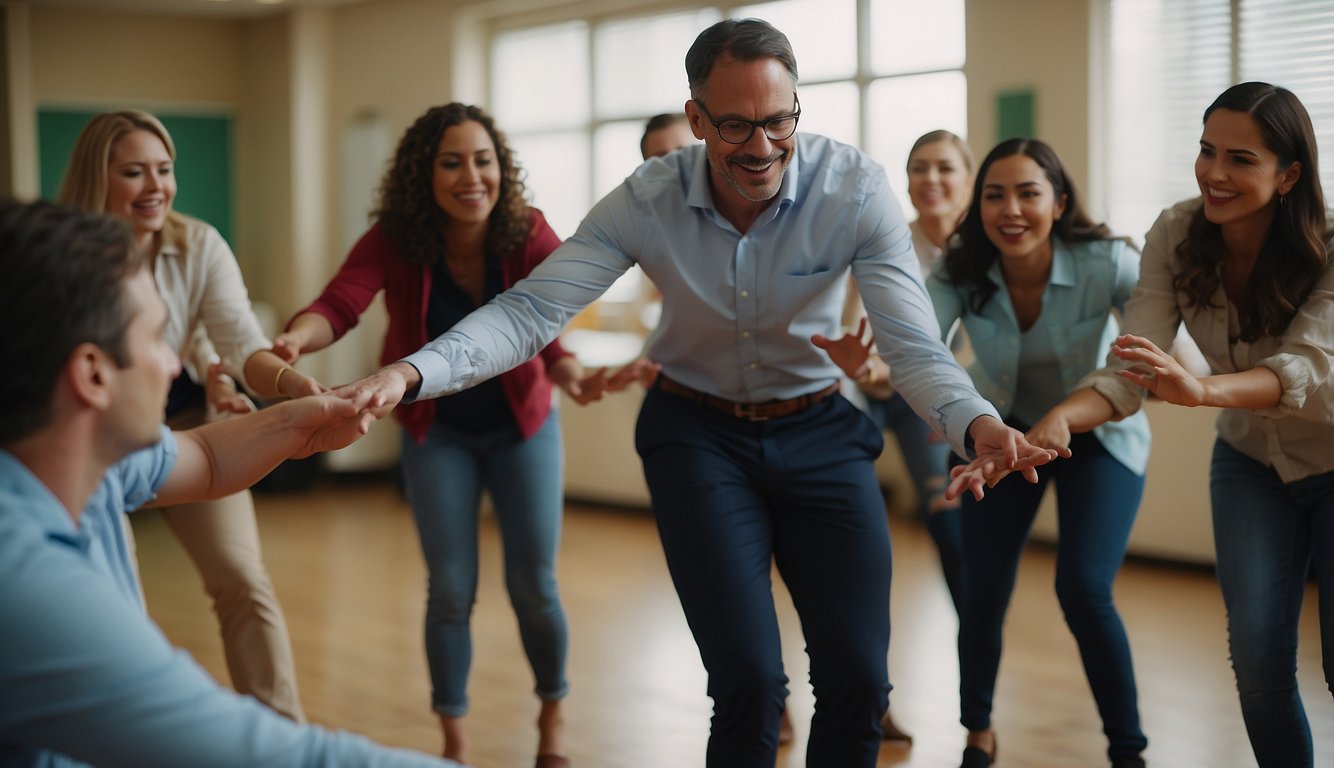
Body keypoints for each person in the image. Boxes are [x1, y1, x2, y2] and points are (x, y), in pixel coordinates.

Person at [332, 19, 1054, 768]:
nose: (762, 146)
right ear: (698, 118)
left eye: (778, 120)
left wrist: (975, 421)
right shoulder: (648, 199)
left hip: (820, 429)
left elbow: (910, 344)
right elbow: (531, 310)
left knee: (860, 678)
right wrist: (410, 372)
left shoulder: (854, 190)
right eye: (735, 125)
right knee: (746, 683)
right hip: (696, 434)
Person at [0, 198, 461, 768]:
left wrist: (301, 423)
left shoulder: (78, 463)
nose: (174, 366)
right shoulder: (24, 584)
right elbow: (270, 757)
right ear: (92, 373)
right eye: (155, 340)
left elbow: (206, 458)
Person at [274, 103, 611, 768]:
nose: (471, 176)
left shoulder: (527, 232)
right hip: (439, 433)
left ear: (501, 168)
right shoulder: (396, 238)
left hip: (523, 428)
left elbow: (551, 317)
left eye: (483, 160)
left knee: (534, 585)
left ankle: (552, 723)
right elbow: (340, 304)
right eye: (451, 162)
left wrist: (569, 370)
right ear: (421, 175)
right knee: (451, 588)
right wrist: (294, 338)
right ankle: (454, 745)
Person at [1033, 82, 1334, 768]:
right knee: (1259, 668)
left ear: (1289, 174)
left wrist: (1200, 390)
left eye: (1241, 159)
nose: (1214, 173)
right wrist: (1060, 419)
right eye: (1206, 151)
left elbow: (1306, 367)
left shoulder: (1330, 245)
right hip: (1249, 466)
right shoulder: (1175, 233)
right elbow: (1132, 368)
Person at [56, 109, 320, 722]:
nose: (156, 186)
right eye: (133, 172)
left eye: (165, 170)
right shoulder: (62, 255)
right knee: (111, 599)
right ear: (98, 178)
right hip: (90, 444)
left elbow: (241, 344)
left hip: (185, 427)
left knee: (242, 581)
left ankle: (283, 740)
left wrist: (291, 387)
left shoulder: (197, 244)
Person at [927, 138, 1151, 768]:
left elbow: (1144, 366)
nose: (1011, 209)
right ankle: (978, 731)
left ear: (1059, 202)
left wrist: (1064, 417)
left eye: (1029, 192)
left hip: (1097, 433)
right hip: (998, 436)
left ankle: (1128, 751)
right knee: (983, 586)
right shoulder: (958, 269)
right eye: (994, 194)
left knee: (1084, 588)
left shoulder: (1109, 261)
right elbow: (919, 350)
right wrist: (875, 371)